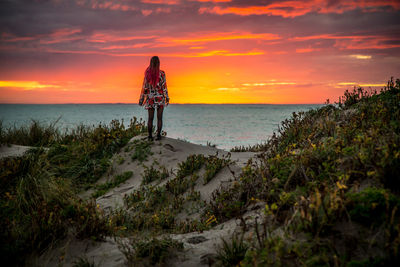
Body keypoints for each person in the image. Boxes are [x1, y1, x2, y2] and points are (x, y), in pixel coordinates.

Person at [139, 56, 169, 141]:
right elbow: (164, 87)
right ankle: (158, 136)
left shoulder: (147, 74)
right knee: (160, 118)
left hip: (151, 98)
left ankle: (150, 136)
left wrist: (141, 99)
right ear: (159, 63)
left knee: (150, 118)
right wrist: (167, 97)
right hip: (160, 98)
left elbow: (144, 88)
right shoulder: (162, 74)